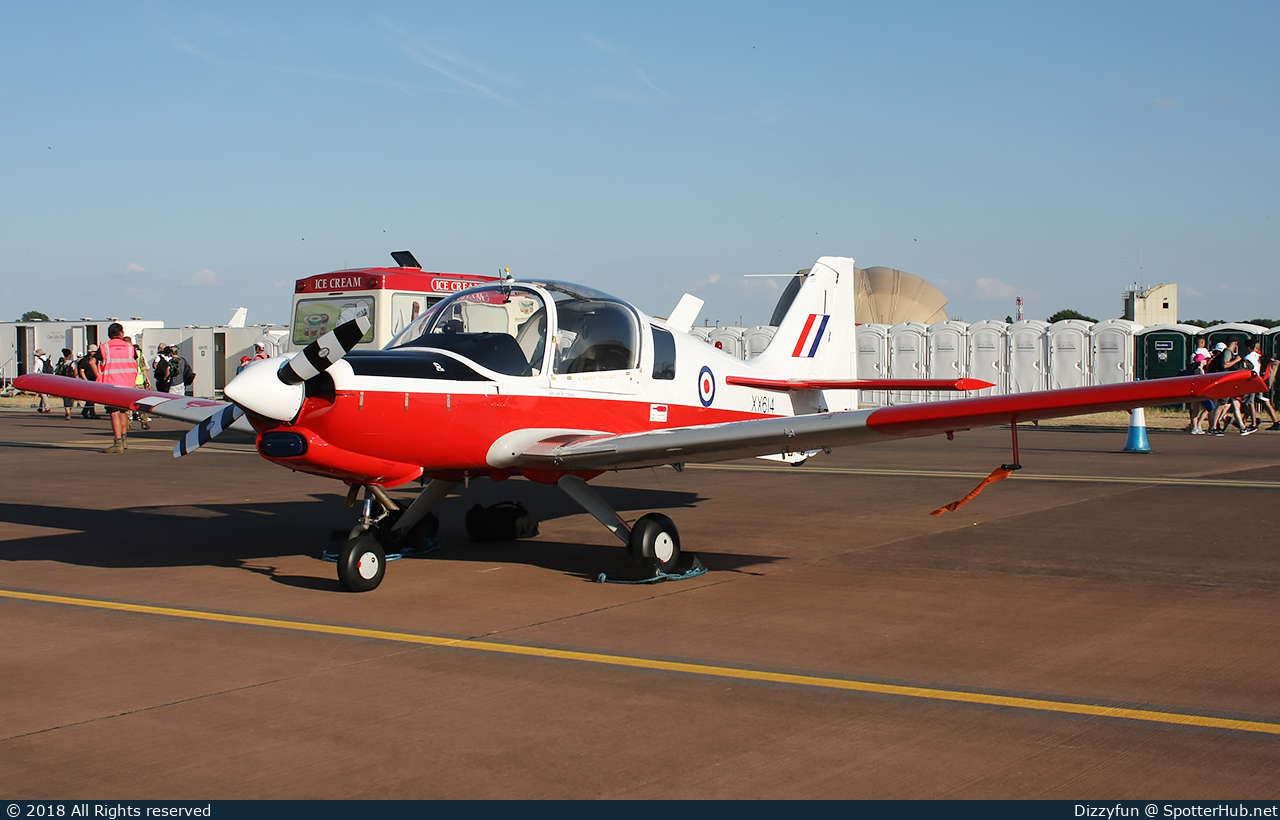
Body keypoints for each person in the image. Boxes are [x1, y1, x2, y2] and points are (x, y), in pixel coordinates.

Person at [97, 323, 136, 453]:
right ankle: (124, 440)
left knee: (114, 413)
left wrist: (99, 376)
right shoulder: (130, 347)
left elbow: (92, 361)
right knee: (123, 412)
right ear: (121, 334)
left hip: (111, 385)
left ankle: (117, 442)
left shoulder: (104, 347)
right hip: (128, 385)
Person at [124, 336, 151, 430]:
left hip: (127, 382)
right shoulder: (138, 353)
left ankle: (127, 423)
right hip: (138, 382)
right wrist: (147, 379)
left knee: (127, 404)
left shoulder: (122, 354)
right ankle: (144, 421)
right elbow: (143, 368)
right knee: (141, 403)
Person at [77, 344, 100, 419]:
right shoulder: (85, 360)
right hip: (89, 380)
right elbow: (81, 370)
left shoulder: (95, 359)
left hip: (94, 379)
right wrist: (86, 380)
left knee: (92, 397)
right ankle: (92, 413)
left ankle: (85, 411)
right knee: (91, 397)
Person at [55, 348, 77, 419]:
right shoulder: (72, 363)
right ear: (69, 355)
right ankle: (69, 411)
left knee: (66, 398)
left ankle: (67, 412)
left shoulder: (61, 362)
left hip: (63, 382)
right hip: (72, 382)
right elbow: (76, 373)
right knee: (71, 398)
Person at [32, 348, 53, 413]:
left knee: (43, 393)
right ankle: (41, 407)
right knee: (44, 393)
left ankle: (47, 407)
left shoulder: (38, 361)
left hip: (41, 378)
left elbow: (35, 371)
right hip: (48, 378)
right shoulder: (48, 360)